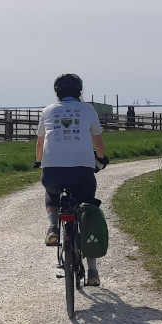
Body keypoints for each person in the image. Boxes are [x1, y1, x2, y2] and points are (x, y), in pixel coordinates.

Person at [34, 73, 109, 286]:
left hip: (53, 172)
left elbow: (40, 144)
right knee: (87, 210)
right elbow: (99, 142)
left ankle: (53, 230)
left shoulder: (48, 110)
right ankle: (93, 272)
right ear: (80, 92)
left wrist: (40, 162)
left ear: (57, 92)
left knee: (51, 191)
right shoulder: (88, 110)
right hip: (82, 172)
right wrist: (101, 159)